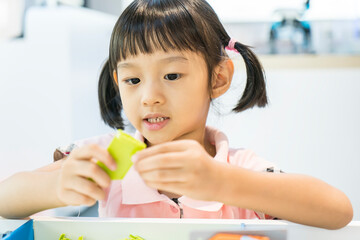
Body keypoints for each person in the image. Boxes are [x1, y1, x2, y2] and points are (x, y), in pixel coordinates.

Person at [0, 0, 353, 229]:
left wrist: (221, 182)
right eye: (133, 79)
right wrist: (58, 185)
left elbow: (338, 211)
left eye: (171, 76)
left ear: (218, 78)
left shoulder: (238, 169)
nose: (149, 97)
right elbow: (6, 200)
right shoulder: (104, 157)